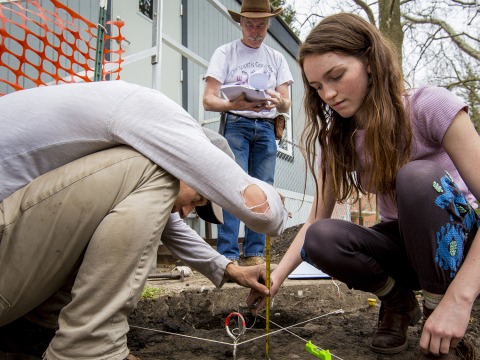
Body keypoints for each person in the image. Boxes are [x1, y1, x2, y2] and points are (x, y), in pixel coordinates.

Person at [0, 80, 289, 359]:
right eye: (199, 199)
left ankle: (32, 330)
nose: (187, 213)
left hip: (11, 272)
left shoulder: (131, 133)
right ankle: (90, 351)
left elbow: (169, 227)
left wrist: (231, 269)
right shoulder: (152, 124)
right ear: (195, 163)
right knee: (159, 174)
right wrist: (269, 197)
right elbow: (264, 215)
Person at [247, 13, 480, 360]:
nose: (328, 95)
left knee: (414, 178)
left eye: (336, 76)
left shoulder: (429, 106)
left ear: (369, 61)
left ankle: (440, 316)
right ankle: (398, 302)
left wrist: (459, 300)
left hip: (458, 247)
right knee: (321, 237)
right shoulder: (338, 139)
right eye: (317, 87)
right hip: (404, 247)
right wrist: (275, 278)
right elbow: (314, 222)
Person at [203, 0, 293, 266]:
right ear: (240, 23)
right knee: (232, 188)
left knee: (263, 190)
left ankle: (254, 254)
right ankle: (228, 254)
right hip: (235, 124)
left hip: (266, 127)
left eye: (261, 25)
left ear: (269, 24)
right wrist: (234, 103)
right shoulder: (225, 53)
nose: (255, 30)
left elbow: (287, 103)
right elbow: (208, 100)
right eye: (250, 24)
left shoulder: (277, 58)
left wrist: (278, 100)